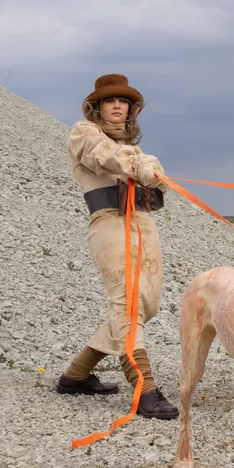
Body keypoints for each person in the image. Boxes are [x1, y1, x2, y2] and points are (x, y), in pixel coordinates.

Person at [56, 73, 178, 419]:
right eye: (111, 101)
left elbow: (156, 185)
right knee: (127, 304)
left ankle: (75, 376)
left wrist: (151, 170)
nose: (118, 106)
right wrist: (142, 165)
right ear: (97, 107)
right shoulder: (84, 133)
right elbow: (104, 157)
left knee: (145, 304)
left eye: (123, 102)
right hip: (110, 223)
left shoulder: (133, 149)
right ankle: (145, 389)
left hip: (142, 223)